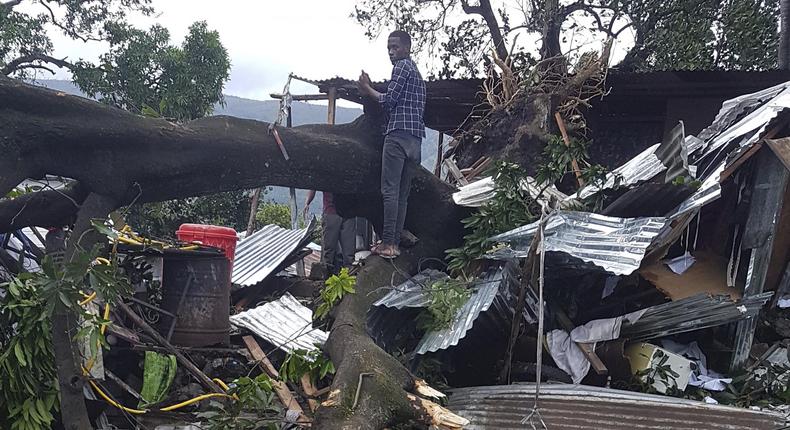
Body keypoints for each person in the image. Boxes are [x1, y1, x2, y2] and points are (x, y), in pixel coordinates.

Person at [357, 30, 426, 259]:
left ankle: (388, 243)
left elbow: (389, 101)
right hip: (416, 141)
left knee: (389, 191)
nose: (391, 52)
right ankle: (394, 243)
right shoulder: (417, 74)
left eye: (395, 47)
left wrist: (367, 89)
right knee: (402, 195)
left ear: (407, 47)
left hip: (397, 137)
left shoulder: (401, 67)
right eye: (389, 48)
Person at [303, 190, 355, 273]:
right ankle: (325, 277)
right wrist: (307, 202)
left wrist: (307, 202)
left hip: (346, 212)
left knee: (348, 253)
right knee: (329, 252)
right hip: (333, 211)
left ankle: (347, 278)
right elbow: (314, 185)